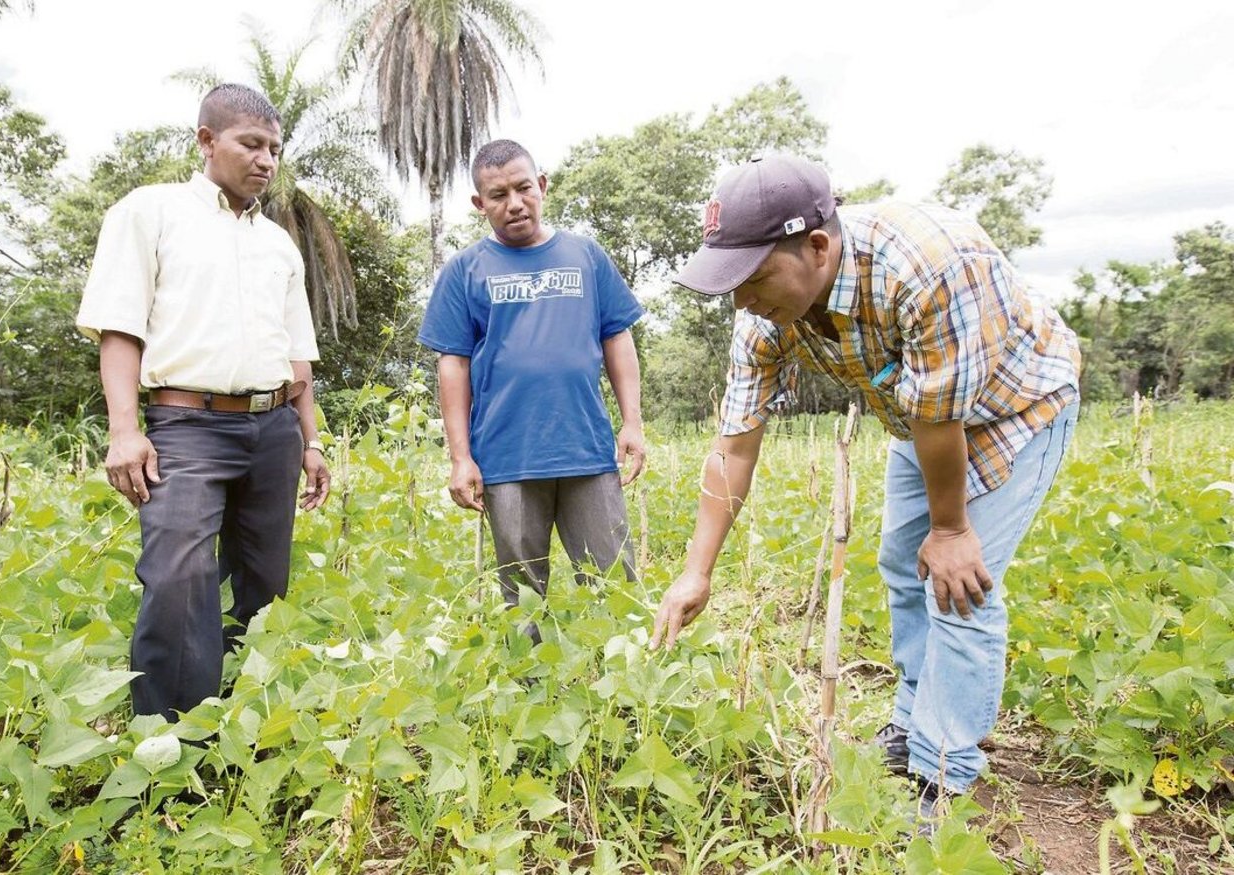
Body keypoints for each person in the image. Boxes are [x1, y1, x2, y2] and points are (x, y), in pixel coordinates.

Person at [650, 153, 1080, 815]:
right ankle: (913, 725)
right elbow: (733, 445)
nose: (742, 299)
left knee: (957, 581)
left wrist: (952, 528)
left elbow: (944, 416)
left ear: (817, 247)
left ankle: (946, 775)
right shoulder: (763, 316)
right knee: (902, 568)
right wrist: (695, 570)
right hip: (923, 422)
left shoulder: (931, 265)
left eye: (753, 277)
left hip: (1018, 407)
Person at [76, 83, 330, 719]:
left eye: (274, 148)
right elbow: (119, 327)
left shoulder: (278, 243)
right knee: (177, 580)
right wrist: (124, 431)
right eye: (251, 144)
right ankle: (168, 745)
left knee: (265, 583)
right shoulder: (149, 212)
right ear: (206, 140)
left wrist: (312, 439)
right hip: (185, 425)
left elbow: (297, 353)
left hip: (273, 429)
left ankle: (244, 722)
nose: (266, 160)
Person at [419, 139, 645, 639]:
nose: (514, 203)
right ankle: (530, 695)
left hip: (586, 450)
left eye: (523, 188)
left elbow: (618, 337)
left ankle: (627, 703)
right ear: (480, 205)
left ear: (542, 186)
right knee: (522, 597)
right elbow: (452, 365)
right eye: (497, 195)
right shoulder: (464, 270)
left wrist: (632, 422)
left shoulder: (585, 255)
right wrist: (461, 456)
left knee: (614, 585)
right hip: (506, 457)